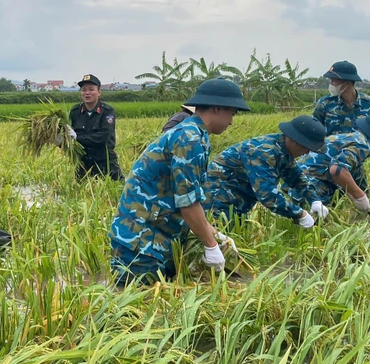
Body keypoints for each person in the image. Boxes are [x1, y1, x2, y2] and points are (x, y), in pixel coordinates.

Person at [110, 78, 250, 286]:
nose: (231, 121)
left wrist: (214, 233)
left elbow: (191, 194)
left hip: (156, 239)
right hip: (140, 243)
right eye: (232, 113)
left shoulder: (196, 135)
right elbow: (187, 203)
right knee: (137, 312)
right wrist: (211, 246)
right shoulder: (189, 139)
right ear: (218, 108)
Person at [206, 115, 327, 228]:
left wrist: (314, 200)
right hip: (217, 199)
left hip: (238, 201)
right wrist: (300, 214)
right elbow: (267, 194)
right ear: (295, 140)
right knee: (220, 238)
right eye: (307, 147)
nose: (307, 153)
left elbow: (296, 178)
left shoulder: (283, 151)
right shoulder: (263, 152)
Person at [295, 113, 370, 215]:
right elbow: (337, 170)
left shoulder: (349, 137)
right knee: (326, 218)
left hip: (294, 181)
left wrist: (354, 197)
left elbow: (348, 174)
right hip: (307, 186)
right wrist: (360, 196)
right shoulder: (362, 145)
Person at [68, 74, 122, 180]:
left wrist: (77, 137)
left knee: (114, 193)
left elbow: (102, 137)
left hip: (105, 163)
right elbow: (70, 140)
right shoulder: (75, 112)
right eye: (84, 90)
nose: (87, 93)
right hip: (83, 164)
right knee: (80, 194)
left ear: (99, 92)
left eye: (91, 89)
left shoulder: (107, 112)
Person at [313, 60, 370, 136]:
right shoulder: (324, 103)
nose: (331, 84)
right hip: (331, 147)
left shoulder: (369, 104)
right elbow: (314, 130)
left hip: (361, 147)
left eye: (334, 80)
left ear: (347, 83)